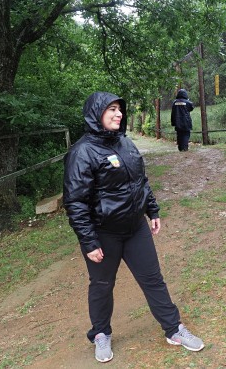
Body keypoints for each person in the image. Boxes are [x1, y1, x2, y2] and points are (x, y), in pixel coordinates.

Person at [63, 91, 204, 363]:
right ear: (96, 114)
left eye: (119, 109)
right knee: (102, 285)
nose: (118, 114)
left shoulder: (125, 143)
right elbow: (75, 202)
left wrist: (151, 209)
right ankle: (101, 333)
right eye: (111, 109)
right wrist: (89, 241)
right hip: (104, 233)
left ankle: (173, 329)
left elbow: (141, 181)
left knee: (153, 279)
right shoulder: (82, 152)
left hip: (135, 228)